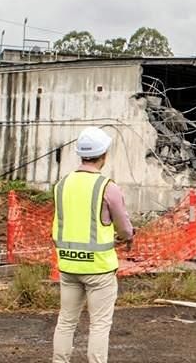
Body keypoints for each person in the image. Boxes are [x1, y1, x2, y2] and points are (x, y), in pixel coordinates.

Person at [52, 126, 134, 363]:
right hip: (98, 269)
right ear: (104, 154)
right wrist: (127, 237)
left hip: (68, 265)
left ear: (81, 154)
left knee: (66, 321)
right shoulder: (107, 187)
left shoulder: (62, 184)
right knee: (99, 325)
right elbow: (125, 227)